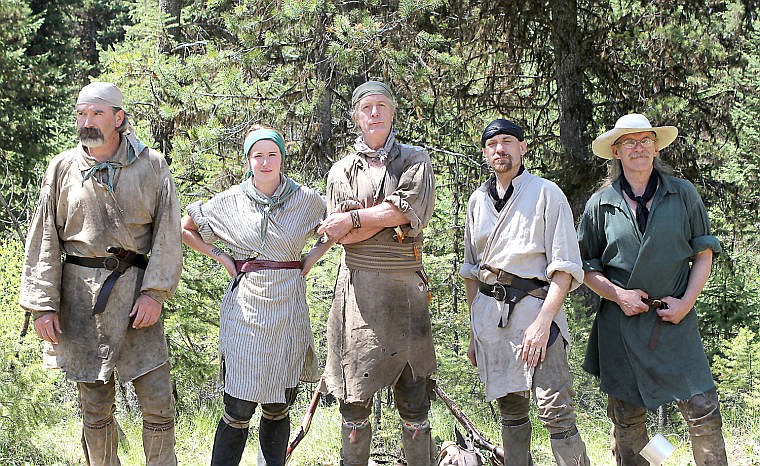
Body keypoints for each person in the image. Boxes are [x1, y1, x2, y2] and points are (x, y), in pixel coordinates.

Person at [20, 82, 182, 465]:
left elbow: (168, 233)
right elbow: (44, 236)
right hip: (81, 300)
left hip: (136, 297)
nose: (86, 122)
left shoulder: (151, 165)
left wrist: (154, 293)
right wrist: (43, 305)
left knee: (158, 403)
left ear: (118, 118)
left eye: (96, 113)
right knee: (95, 409)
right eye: (81, 114)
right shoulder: (63, 167)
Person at [577, 113, 728, 465]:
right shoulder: (599, 205)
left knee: (703, 410)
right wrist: (618, 295)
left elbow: (703, 253)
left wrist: (686, 303)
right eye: (629, 142)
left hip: (674, 319)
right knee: (628, 420)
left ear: (656, 146)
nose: (638, 147)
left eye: (645, 140)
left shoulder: (682, 193)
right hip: (622, 325)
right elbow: (584, 267)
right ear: (616, 152)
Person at [181, 125, 331, 466]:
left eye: (272, 155)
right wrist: (220, 257)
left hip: (288, 306)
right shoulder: (230, 201)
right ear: (249, 161)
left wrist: (309, 259)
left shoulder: (305, 200)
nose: (265, 162)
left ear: (281, 157)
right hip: (245, 305)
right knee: (238, 405)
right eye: (257, 156)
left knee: (278, 405)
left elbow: (335, 225)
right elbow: (185, 228)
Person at [317, 81, 437, 465]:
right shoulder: (340, 171)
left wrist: (357, 216)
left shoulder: (415, 161)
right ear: (355, 116)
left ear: (393, 112)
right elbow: (343, 237)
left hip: (407, 291)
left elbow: (408, 211)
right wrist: (387, 215)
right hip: (359, 294)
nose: (374, 113)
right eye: (366, 107)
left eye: (382, 106)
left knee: (414, 401)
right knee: (355, 400)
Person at [459, 118, 589, 466]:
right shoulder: (477, 201)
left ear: (522, 147)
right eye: (491, 144)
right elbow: (472, 271)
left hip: (536, 310)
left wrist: (544, 323)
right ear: (485, 152)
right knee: (511, 408)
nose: (499, 149)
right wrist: (476, 331)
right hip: (491, 317)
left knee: (555, 410)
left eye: (506, 141)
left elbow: (565, 268)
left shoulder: (546, 193)